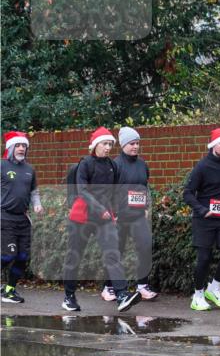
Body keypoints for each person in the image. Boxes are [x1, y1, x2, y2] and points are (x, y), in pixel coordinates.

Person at [62, 128, 141, 313]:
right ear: (95, 145)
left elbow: (114, 192)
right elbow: (82, 190)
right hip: (82, 217)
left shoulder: (112, 166)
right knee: (74, 256)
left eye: (110, 145)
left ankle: (121, 295)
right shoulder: (85, 164)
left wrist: (114, 212)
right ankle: (69, 296)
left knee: (113, 254)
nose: (108, 148)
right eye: (104, 144)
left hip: (104, 219)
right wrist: (100, 209)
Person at [183, 128, 220, 311]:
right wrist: (202, 210)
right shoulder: (202, 167)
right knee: (204, 259)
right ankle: (198, 295)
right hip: (204, 220)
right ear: (213, 145)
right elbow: (188, 193)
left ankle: (214, 288)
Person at [99, 127, 158, 302]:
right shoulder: (115, 165)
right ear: (123, 144)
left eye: (138, 143)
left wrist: (146, 205)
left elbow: (144, 186)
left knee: (145, 246)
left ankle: (142, 285)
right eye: (132, 143)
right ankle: (108, 288)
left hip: (138, 215)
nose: (135, 147)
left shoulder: (142, 164)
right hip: (119, 217)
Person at [1, 131, 42, 304]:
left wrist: (37, 204)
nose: (21, 149)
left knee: (22, 257)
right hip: (4, 217)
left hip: (23, 219)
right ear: (11, 148)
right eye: (18, 145)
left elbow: (34, 191)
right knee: (9, 256)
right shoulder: (2, 165)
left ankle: (9, 291)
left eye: (24, 146)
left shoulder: (29, 169)